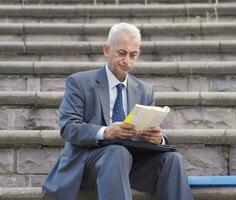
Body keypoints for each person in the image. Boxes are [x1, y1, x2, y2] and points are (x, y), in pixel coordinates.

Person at [43, 22, 193, 200]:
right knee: (117, 152)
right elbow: (68, 128)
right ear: (107, 50)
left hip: (129, 164)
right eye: (121, 53)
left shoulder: (144, 90)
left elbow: (146, 134)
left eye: (133, 55)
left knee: (172, 159)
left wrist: (157, 138)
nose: (127, 61)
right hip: (87, 164)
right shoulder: (79, 83)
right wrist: (106, 132)